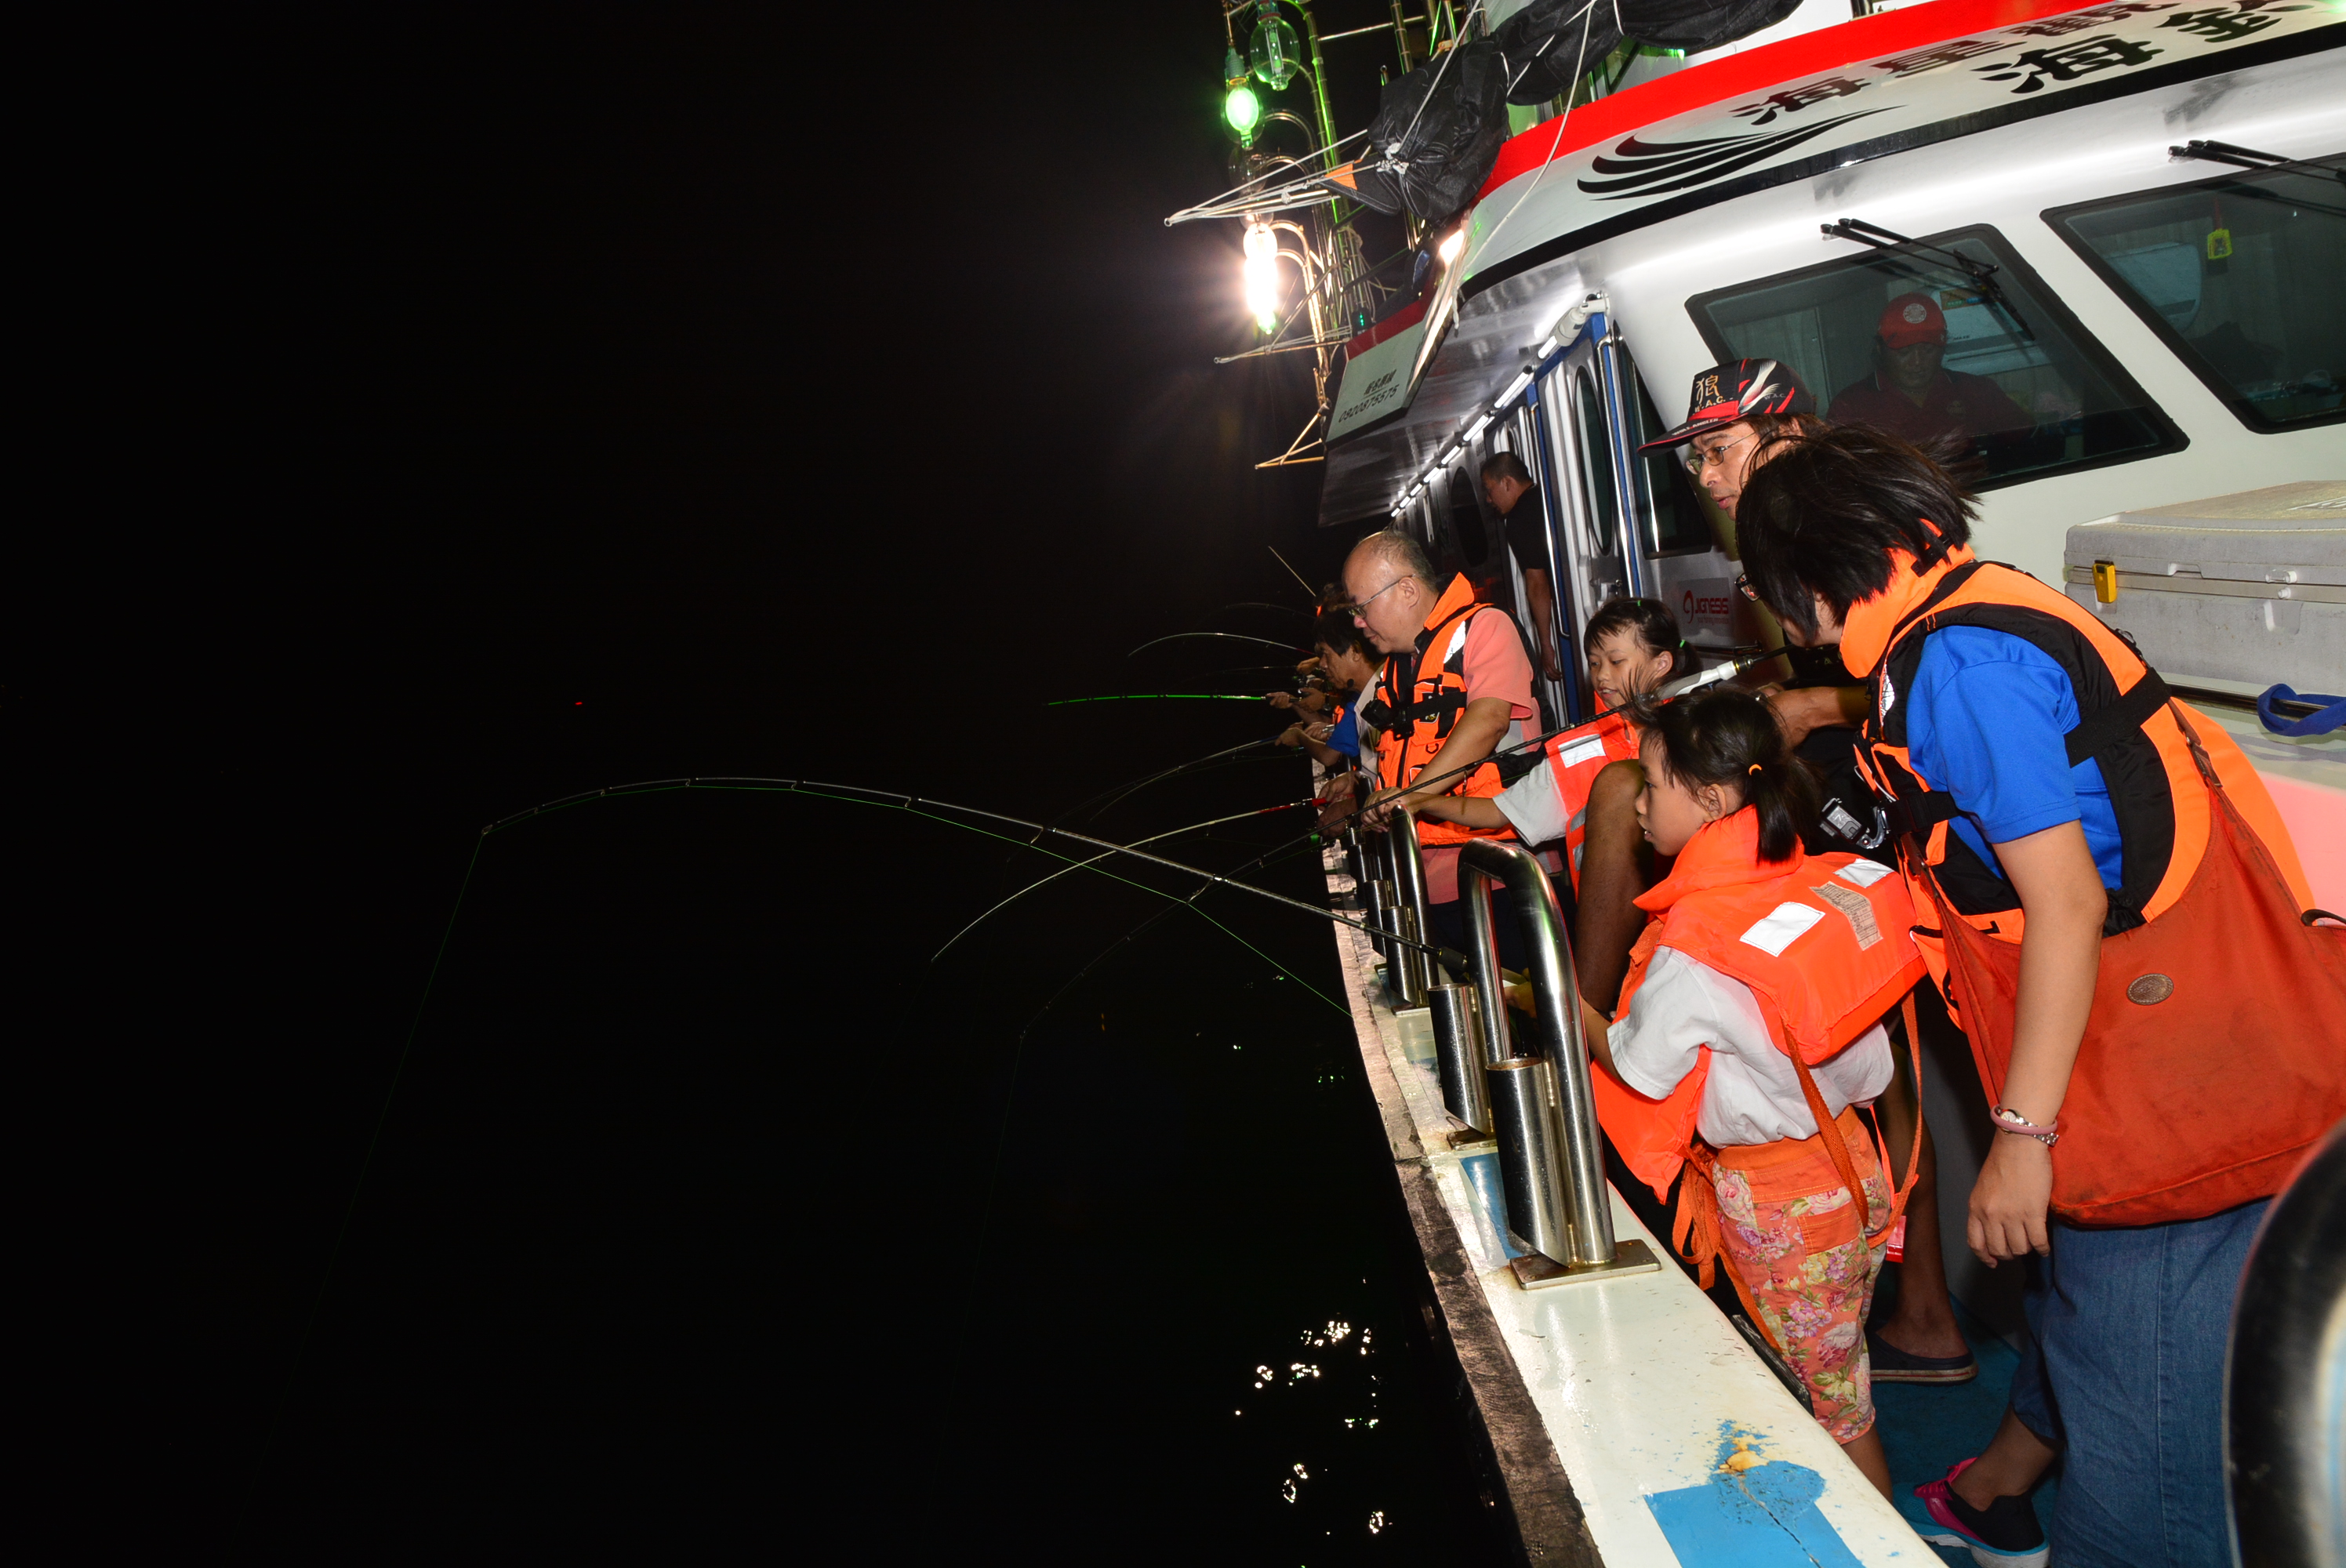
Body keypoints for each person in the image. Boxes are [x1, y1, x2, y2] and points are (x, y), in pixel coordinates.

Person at [1735, 424, 2343, 1568]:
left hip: (2159, 1104)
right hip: (2188, 1058)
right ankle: (2004, 1495)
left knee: (2146, 1494)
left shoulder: (1957, 670)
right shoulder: (1985, 605)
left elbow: (2060, 902)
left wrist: (2021, 1136)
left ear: (1810, 585)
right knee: (2095, 1338)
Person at [1643, 359, 1974, 1386]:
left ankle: (1921, 1304)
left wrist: (1804, 713)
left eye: (1718, 450)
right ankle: (1888, 1279)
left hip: (1898, 815)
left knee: (1886, 1043)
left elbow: (1890, 670)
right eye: (1695, 457)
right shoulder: (1780, 536)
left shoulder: (1833, 520)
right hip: (1852, 797)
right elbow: (1809, 669)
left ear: (1785, 436)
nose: (1705, 475)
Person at [1574, 685, 1927, 1501]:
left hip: (1781, 1208)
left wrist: (1574, 1008)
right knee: (1834, 1377)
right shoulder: (1805, 882)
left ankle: (1882, 1539)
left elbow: (1637, 1065)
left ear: (1705, 800)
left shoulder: (1697, 940)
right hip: (1855, 1173)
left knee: (1831, 1410)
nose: (1637, 805)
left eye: (1651, 785)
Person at [1412, 596, 1693, 1006]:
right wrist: (1420, 800)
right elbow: (1496, 812)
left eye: (1616, 661)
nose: (1602, 676)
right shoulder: (1584, 748)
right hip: (1621, 945)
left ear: (1662, 664)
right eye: (1594, 663)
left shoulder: (1702, 730)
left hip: (1687, 931)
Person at [1345, 530, 1539, 964]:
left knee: (1523, 1010)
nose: (1357, 621)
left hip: (1500, 873)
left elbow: (1488, 720)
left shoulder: (1486, 627)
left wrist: (1408, 797)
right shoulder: (1399, 666)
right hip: (1426, 877)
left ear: (1407, 590)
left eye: (1362, 606)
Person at [1826, 292, 2033, 454]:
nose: (1917, 362)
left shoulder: (1977, 391)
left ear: (1943, 348)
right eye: (1904, 352)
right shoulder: (1851, 408)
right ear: (1880, 350)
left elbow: (2028, 445)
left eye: (1928, 350)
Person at [1480, 451, 1560, 681]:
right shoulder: (1547, 496)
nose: (1488, 499)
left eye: (1489, 488)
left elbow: (1537, 584)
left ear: (1507, 482)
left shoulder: (1517, 521)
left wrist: (1546, 644)